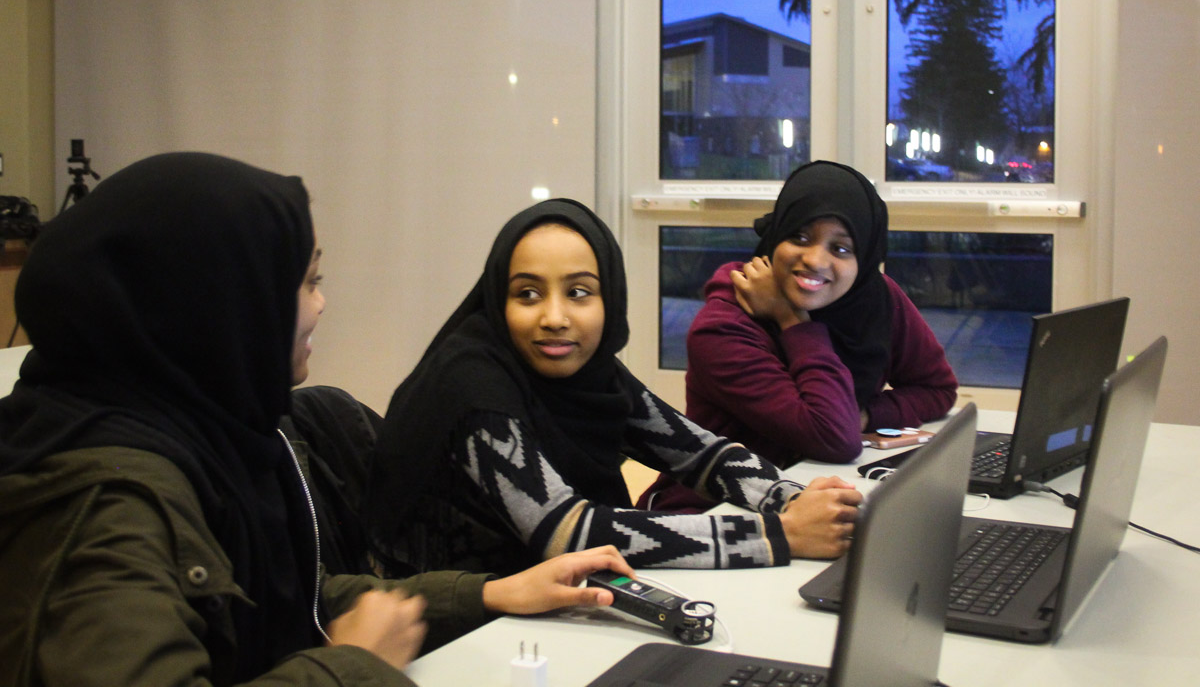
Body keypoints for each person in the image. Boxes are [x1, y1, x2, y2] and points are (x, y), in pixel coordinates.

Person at [0, 152, 634, 687]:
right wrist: (349, 668)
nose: (322, 305)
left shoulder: (218, 433)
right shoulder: (108, 502)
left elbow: (291, 599)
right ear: (218, 307)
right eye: (306, 283)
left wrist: (491, 593)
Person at [366, 198, 862, 578]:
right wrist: (780, 535)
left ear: (611, 300)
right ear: (498, 300)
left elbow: (696, 452)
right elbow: (565, 532)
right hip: (452, 626)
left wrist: (792, 499)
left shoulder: (589, 371)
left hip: (546, 599)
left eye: (579, 292)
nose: (554, 318)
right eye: (527, 294)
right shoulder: (472, 384)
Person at [640, 161, 957, 512]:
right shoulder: (723, 326)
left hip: (817, 499)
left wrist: (865, 416)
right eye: (800, 237)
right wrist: (795, 323)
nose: (815, 260)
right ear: (776, 235)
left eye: (840, 249)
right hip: (716, 515)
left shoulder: (876, 300)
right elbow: (833, 436)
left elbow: (937, 389)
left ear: (864, 260)